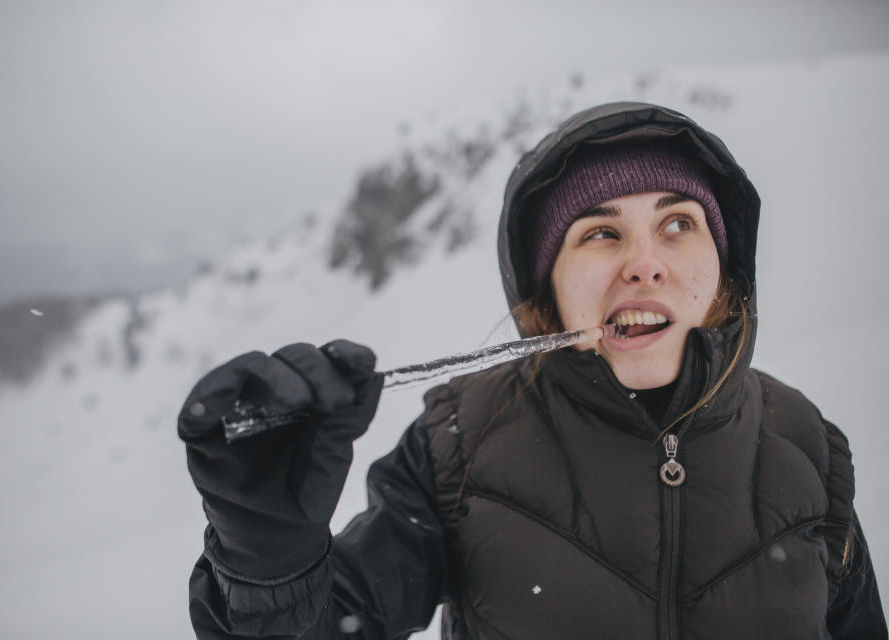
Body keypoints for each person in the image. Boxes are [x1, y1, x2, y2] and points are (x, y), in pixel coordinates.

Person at [178, 102, 887, 638]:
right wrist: (269, 563)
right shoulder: (457, 444)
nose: (645, 261)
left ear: (724, 272)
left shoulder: (807, 449)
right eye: (601, 233)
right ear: (546, 298)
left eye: (678, 224)